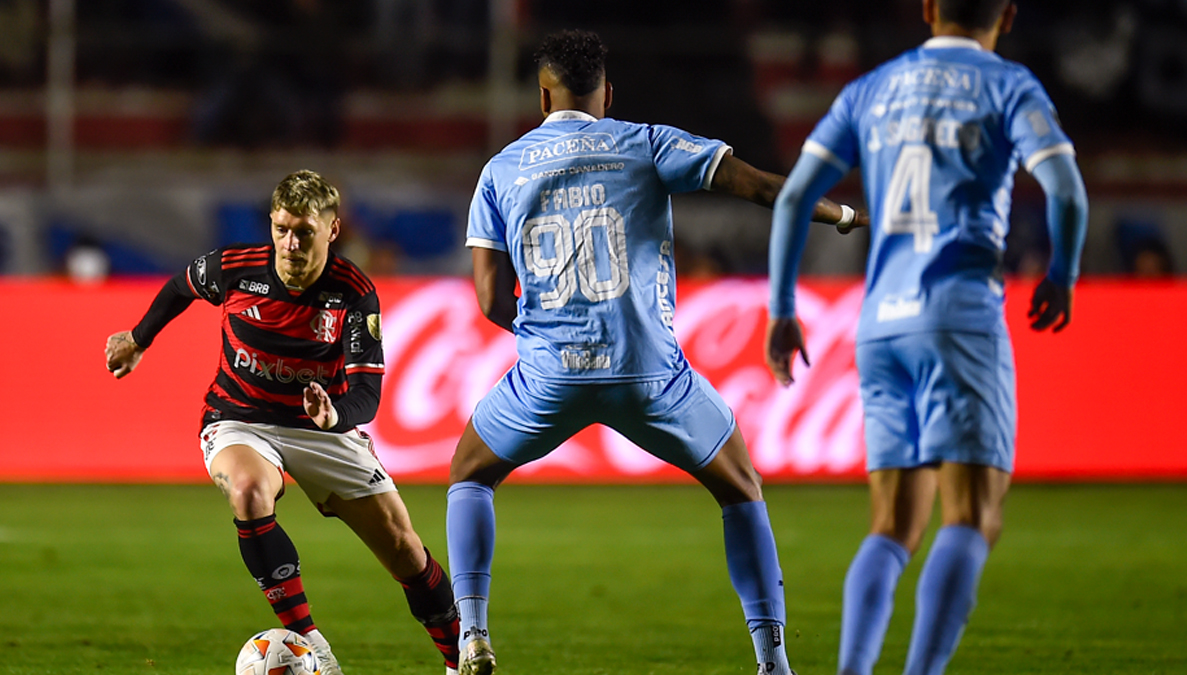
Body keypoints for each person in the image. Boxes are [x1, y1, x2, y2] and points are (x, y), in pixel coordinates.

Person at [445, 29, 867, 675]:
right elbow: (755, 187)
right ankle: (774, 660)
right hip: (650, 373)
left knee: (469, 472)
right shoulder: (646, 142)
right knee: (741, 489)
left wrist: (547, 340)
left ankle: (470, 635)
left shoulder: (502, 168)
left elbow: (488, 296)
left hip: (551, 373)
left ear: (541, 95)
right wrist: (841, 214)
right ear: (608, 94)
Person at [765, 2, 1088, 674]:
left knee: (891, 527)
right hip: (959, 317)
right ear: (1008, 13)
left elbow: (795, 196)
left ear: (928, 9)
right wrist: (1061, 273)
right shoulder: (1009, 86)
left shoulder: (871, 88)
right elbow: (1066, 190)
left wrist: (782, 308)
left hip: (881, 324)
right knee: (971, 517)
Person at [104, 170, 460, 675]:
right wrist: (138, 340)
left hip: (323, 428)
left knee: (404, 549)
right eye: (281, 229)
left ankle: (461, 658)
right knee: (248, 490)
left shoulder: (353, 294)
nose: (290, 244)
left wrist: (334, 415)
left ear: (332, 231)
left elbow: (367, 396)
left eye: (304, 232)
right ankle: (312, 643)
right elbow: (178, 287)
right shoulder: (233, 268)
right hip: (238, 420)